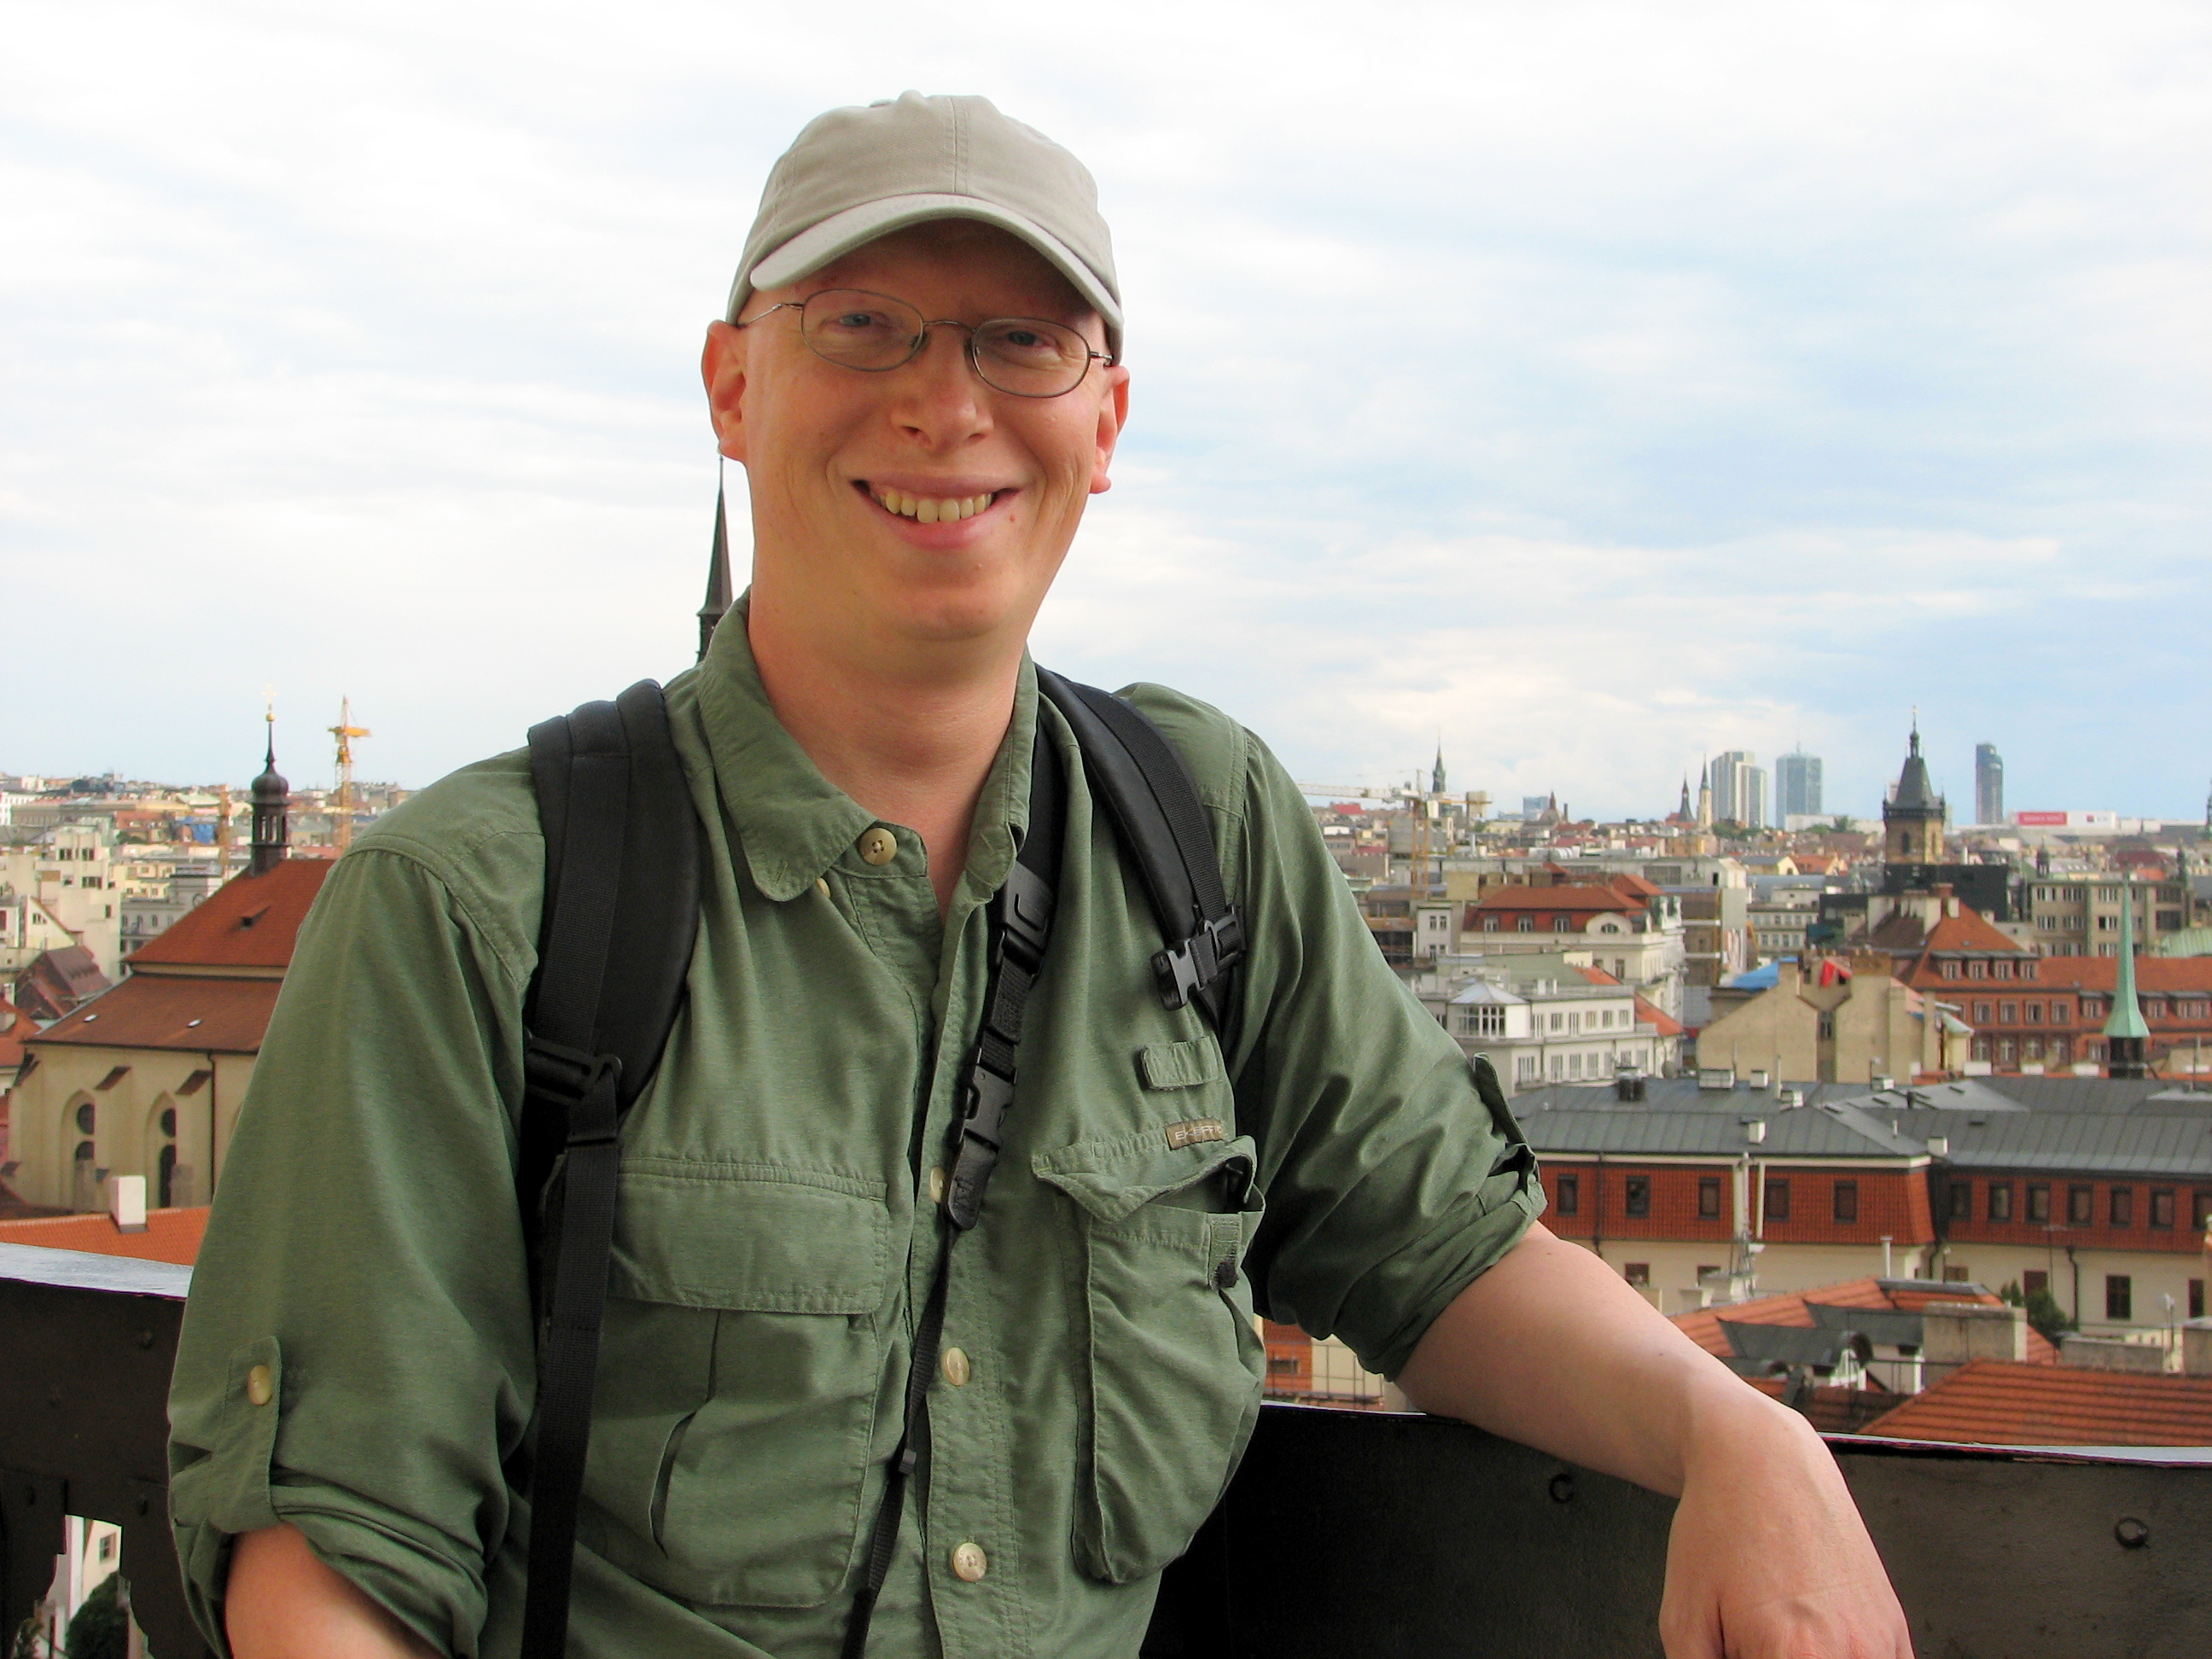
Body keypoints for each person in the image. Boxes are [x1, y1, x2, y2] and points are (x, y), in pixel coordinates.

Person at [169, 92, 1912, 1659]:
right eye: (863, 323)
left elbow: (1435, 1247)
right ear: (732, 385)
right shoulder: (483, 901)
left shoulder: (1197, 830)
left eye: (1023, 342)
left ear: (1107, 418)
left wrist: (1738, 1436)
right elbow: (336, 1556)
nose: (947, 405)